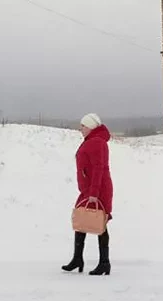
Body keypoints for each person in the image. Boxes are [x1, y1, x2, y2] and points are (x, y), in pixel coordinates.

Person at [62, 113, 113, 276]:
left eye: (83, 126)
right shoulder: (92, 141)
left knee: (100, 223)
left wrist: (94, 193)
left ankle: (104, 263)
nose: (80, 128)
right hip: (89, 190)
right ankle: (77, 259)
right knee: (82, 219)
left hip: (97, 190)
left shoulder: (97, 143)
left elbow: (99, 169)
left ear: (90, 126)